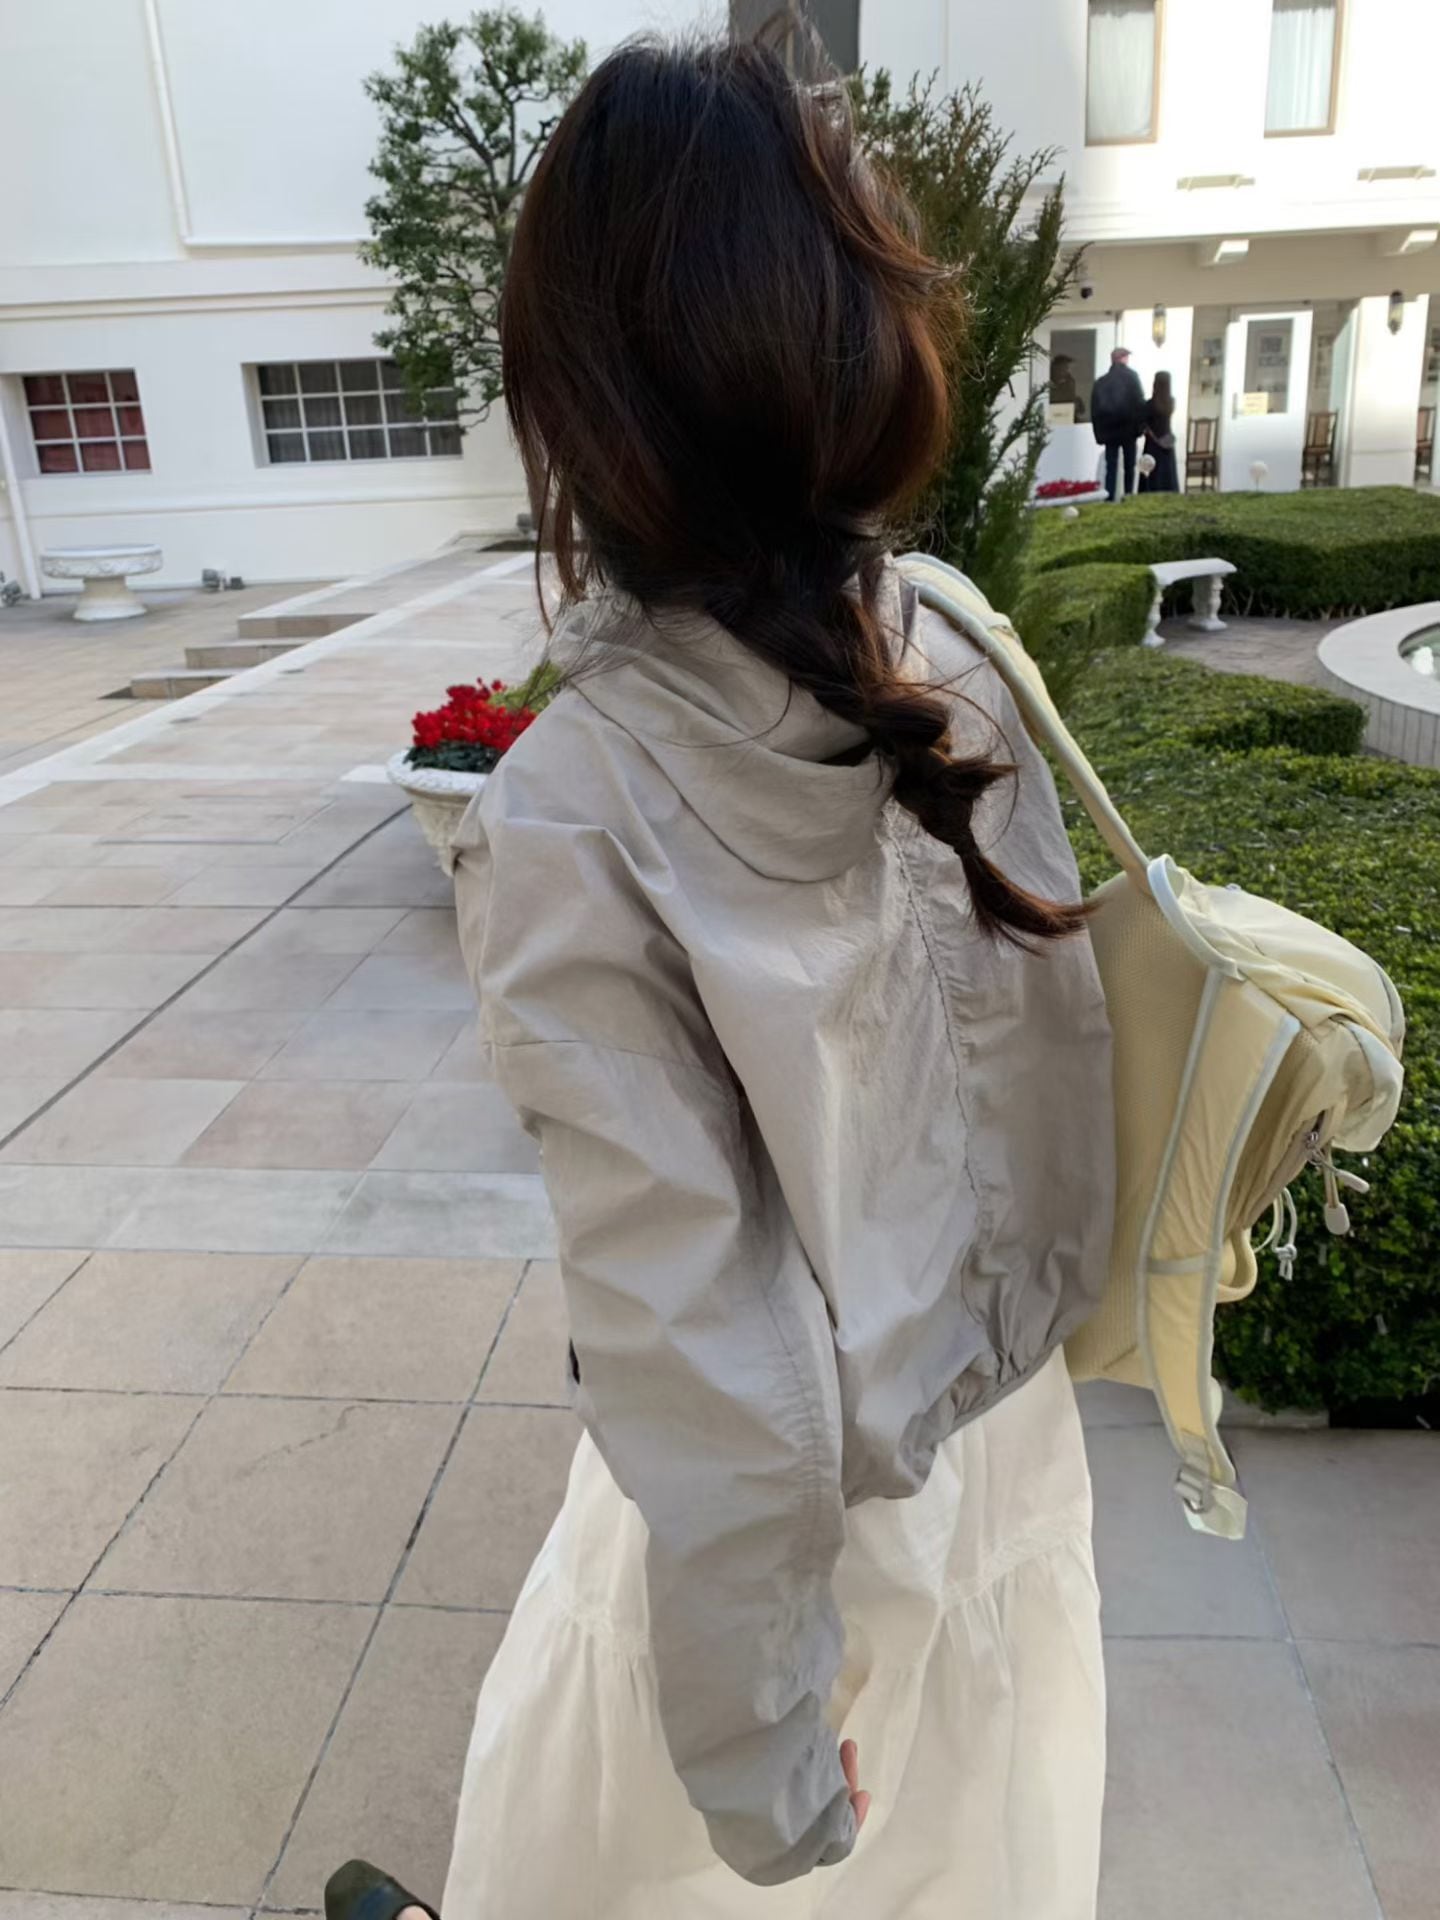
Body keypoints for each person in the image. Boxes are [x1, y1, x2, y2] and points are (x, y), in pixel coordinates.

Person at [326, 34, 1114, 1920]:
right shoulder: (948, 657)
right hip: (1002, 1459)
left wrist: (759, 1743)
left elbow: (702, 1338)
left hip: (779, 1552)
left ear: (581, 396)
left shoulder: (573, 801)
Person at [1089, 344, 1147, 500]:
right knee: (1129, 467)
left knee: (1111, 467)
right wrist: (1140, 428)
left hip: (1110, 432)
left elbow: (1095, 410)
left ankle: (1109, 497)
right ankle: (1128, 497)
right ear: (1123, 359)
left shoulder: (1101, 382)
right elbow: (1140, 403)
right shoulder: (1132, 377)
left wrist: (1099, 434)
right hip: (1129, 431)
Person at [1138, 369, 1179, 492]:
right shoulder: (1171, 402)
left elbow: (1142, 424)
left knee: (1150, 476)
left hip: (1152, 445)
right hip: (1167, 443)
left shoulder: (1149, 405)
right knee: (1167, 474)